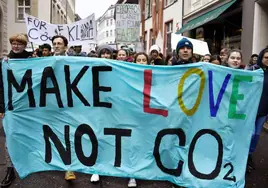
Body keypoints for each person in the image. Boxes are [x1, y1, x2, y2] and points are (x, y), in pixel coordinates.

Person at [0, 33, 32, 187]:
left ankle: (30, 163)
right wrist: (1, 106)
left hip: (28, 106)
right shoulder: (5, 62)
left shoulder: (32, 61)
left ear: (25, 46)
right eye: (13, 43)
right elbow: (1, 86)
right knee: (10, 138)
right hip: (11, 107)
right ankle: (10, 169)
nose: (16, 46)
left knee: (29, 135)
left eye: (19, 43)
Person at [51, 35, 77, 181]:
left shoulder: (74, 61)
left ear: (65, 46)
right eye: (54, 43)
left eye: (59, 43)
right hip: (52, 103)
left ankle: (69, 168)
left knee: (69, 135)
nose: (56, 46)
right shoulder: (45, 61)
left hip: (71, 103)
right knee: (55, 134)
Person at [247, 47, 268, 173]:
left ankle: (249, 155)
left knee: (256, 136)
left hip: (263, 112)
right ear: (261, 58)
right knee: (250, 134)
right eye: (266, 57)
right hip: (250, 110)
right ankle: (243, 158)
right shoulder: (253, 70)